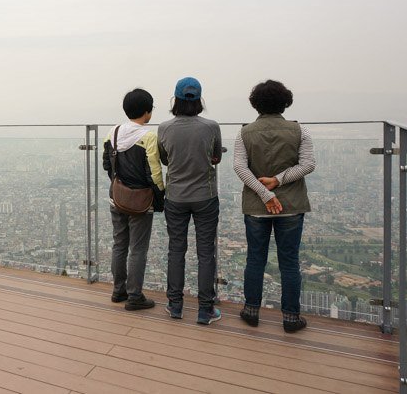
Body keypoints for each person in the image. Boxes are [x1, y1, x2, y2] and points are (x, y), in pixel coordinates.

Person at [233, 80, 315, 333]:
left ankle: (251, 311)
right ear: (285, 102)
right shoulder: (300, 131)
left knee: (255, 259)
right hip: (290, 205)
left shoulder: (244, 132)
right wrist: (279, 181)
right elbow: (308, 164)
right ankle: (290, 318)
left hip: (256, 206)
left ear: (255, 103)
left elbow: (239, 167)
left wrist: (264, 193)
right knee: (289, 261)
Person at [158, 77, 223, 325]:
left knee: (176, 249)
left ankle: (175, 305)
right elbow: (216, 156)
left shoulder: (164, 128)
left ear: (175, 100)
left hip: (175, 196)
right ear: (199, 100)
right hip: (205, 195)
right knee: (206, 252)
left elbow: (165, 159)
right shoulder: (211, 126)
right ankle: (205, 309)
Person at [102, 88, 165, 311]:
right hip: (140, 201)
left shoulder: (114, 133)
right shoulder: (148, 136)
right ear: (147, 112)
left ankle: (118, 290)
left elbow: (107, 165)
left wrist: (119, 184)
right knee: (138, 249)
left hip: (117, 197)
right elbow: (154, 172)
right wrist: (159, 197)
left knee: (119, 244)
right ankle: (135, 296)